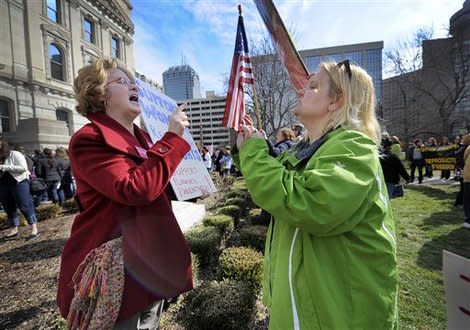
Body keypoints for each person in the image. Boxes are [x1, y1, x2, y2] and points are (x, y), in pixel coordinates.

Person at [234, 60, 397, 328]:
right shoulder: (307, 150)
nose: (301, 91)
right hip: (310, 304)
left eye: (313, 86)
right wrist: (252, 149)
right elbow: (277, 183)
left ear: (336, 101)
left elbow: (308, 203)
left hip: (339, 313)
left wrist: (254, 154)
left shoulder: (353, 147)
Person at [56, 58, 193, 329]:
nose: (133, 86)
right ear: (98, 93)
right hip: (118, 269)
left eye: (132, 82)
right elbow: (135, 189)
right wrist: (172, 139)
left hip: (150, 259)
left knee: (150, 323)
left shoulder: (143, 137)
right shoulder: (89, 139)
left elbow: (157, 183)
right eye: (122, 81)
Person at [0, 139, 39, 239]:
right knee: (8, 207)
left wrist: (4, 167)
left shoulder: (15, 154)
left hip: (19, 182)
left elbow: (23, 168)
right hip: (4, 184)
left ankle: (34, 228)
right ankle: (14, 229)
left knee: (24, 205)